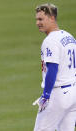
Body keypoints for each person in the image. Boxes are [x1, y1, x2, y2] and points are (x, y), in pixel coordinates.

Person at [34, 3, 76, 131]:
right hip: (72, 93)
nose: (37, 23)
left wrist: (46, 95)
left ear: (52, 18)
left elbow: (52, 69)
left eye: (41, 19)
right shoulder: (69, 36)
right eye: (36, 19)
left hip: (57, 96)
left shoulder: (50, 41)